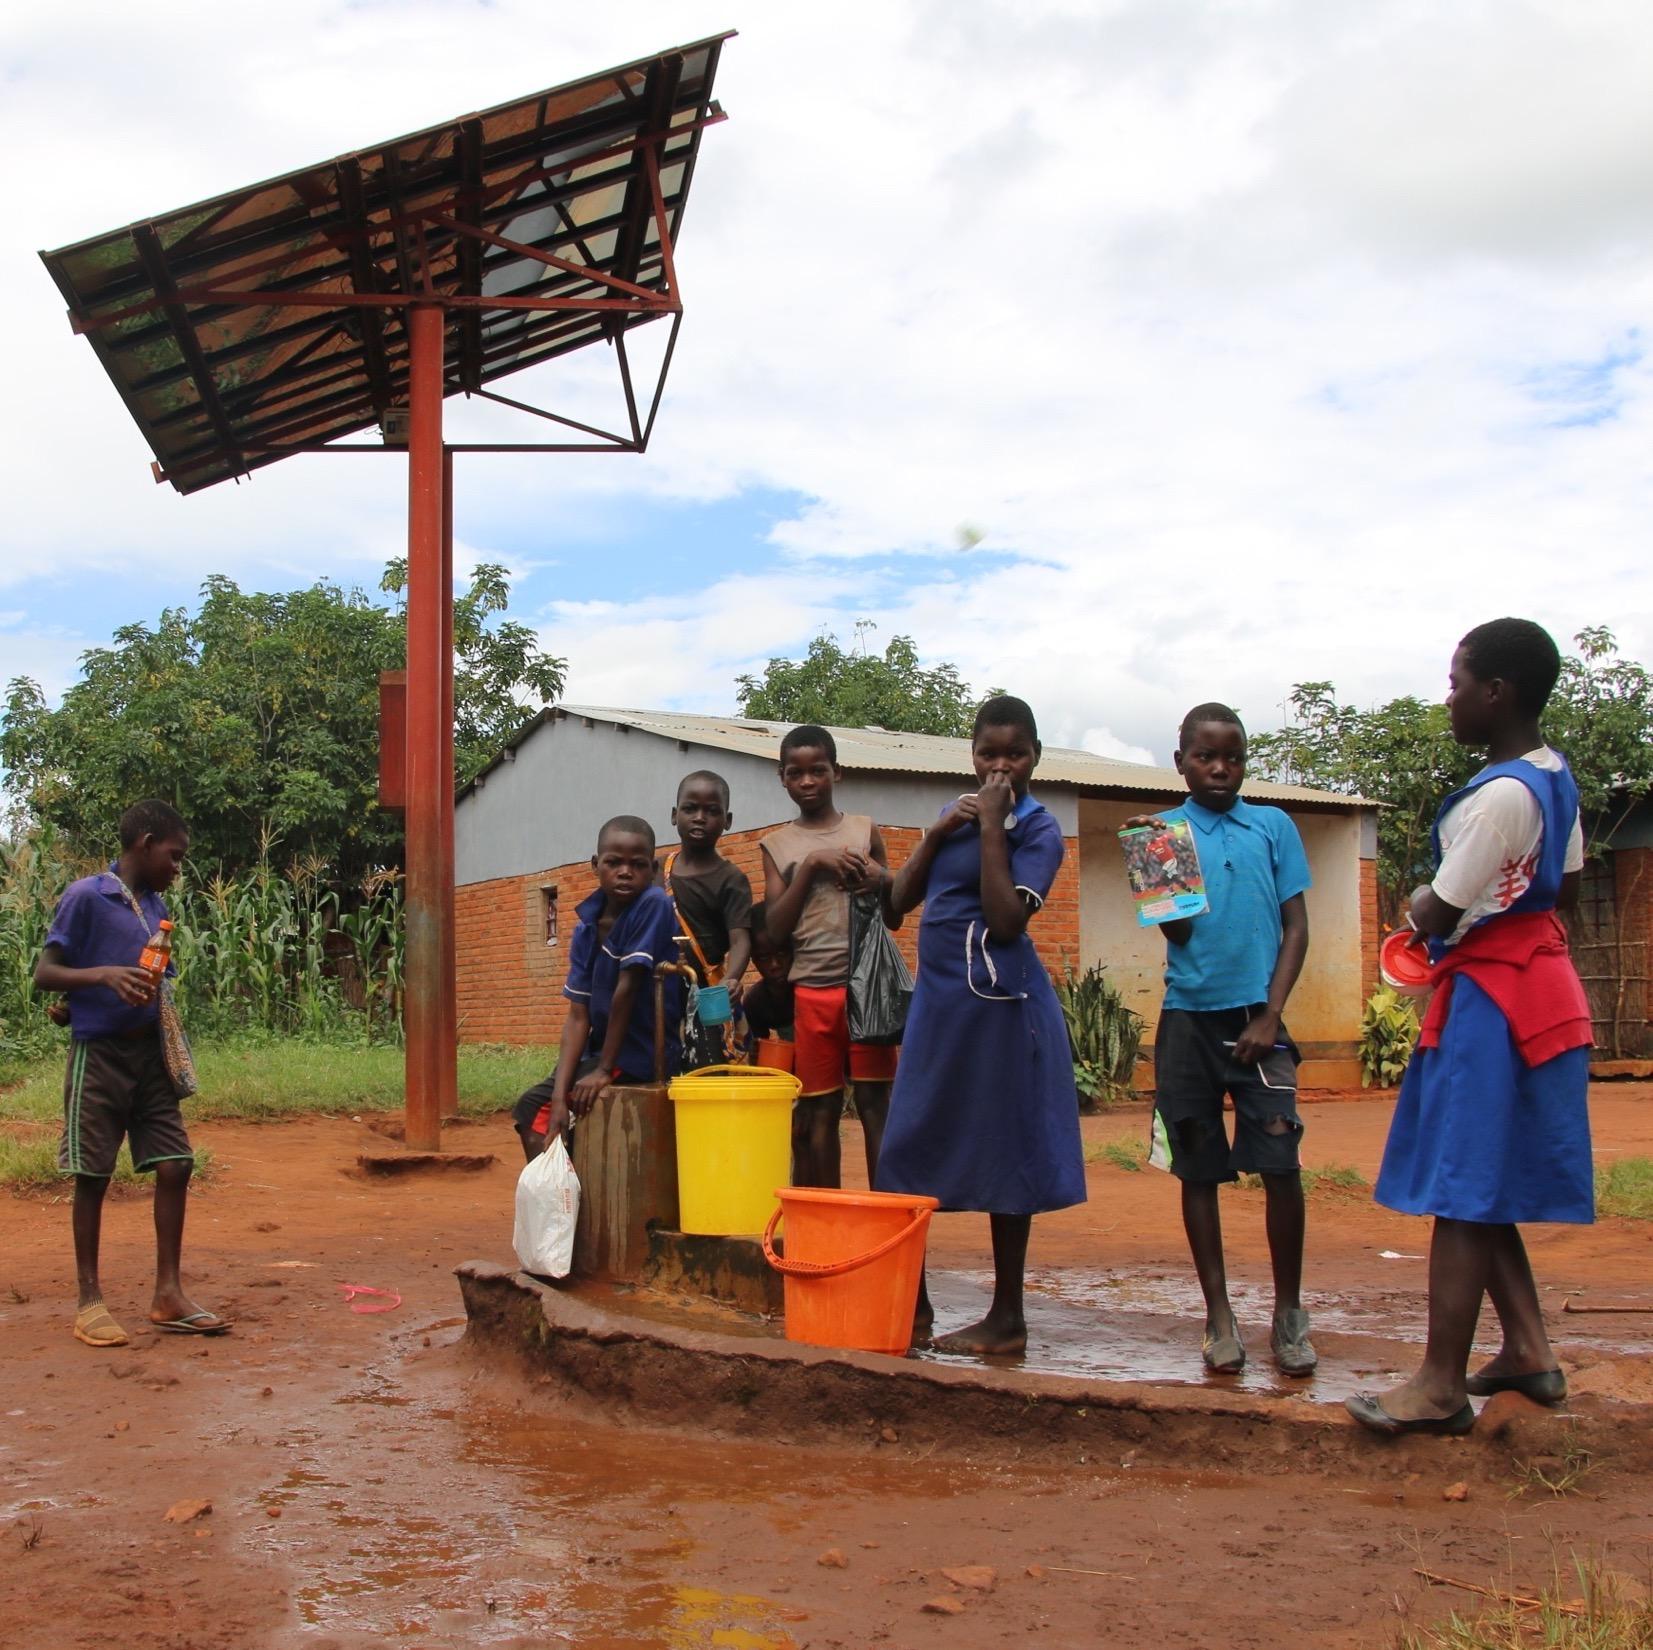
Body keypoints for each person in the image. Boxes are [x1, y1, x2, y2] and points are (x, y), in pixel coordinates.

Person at [1347, 619, 1592, 1436]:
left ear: (1496, 692)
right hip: (1537, 987)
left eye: (1455, 684)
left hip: (1493, 1001)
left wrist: (1420, 902)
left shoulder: (1498, 797)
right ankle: (1526, 1349)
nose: (1447, 698)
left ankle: (1438, 1385)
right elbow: (1563, 884)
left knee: (1461, 1185)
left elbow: (1438, 909)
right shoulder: (1552, 778)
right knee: (1484, 1180)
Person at [876, 696, 1086, 1354]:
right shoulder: (953, 815)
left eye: (1014, 754)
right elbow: (895, 902)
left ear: (1035, 758)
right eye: (988, 754)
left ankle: (1006, 1317)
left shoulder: (1040, 831)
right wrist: (940, 833)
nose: (1000, 767)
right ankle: (911, 1304)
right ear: (970, 755)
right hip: (939, 1007)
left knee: (1005, 1149)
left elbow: (1005, 920)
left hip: (1002, 1009)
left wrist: (994, 826)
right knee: (907, 1143)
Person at [1126, 703, 1314, 1377]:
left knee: (1281, 1164)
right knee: (1198, 1169)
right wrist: (1158, 869)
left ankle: (1288, 1313)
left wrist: (1270, 1014)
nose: (1219, 768)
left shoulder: (1273, 826)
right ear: (1180, 761)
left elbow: (1296, 927)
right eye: (1205, 756)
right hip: (1187, 1024)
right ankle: (1219, 1316)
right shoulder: (1160, 834)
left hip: (1260, 1021)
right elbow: (1179, 934)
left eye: (1232, 757)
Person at [33, 799, 230, 1347]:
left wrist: (111, 990)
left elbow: (147, 980)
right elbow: (46, 972)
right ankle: (89, 1302)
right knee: (93, 1175)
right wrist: (101, 979)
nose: (178, 866)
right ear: (145, 844)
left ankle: (168, 1294)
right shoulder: (86, 896)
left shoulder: (154, 906)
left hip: (150, 1059)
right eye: (175, 855)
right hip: (99, 1057)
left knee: (176, 1164)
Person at [761, 725, 900, 1188]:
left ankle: (886, 1217)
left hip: (867, 991)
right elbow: (774, 930)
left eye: (818, 770)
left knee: (876, 1106)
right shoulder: (777, 845)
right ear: (782, 777)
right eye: (795, 773)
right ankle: (828, 1219)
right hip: (812, 992)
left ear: (836, 772)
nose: (807, 781)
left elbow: (894, 913)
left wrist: (880, 878)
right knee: (819, 1110)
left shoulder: (864, 830)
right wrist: (813, 865)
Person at [511, 816, 683, 1161]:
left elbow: (627, 989)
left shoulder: (654, 904)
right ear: (595, 865)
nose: (625, 872)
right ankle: (565, 1188)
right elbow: (578, 1016)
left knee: (544, 1110)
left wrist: (603, 1071)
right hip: (601, 1052)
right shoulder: (586, 928)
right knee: (535, 1107)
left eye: (637, 865)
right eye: (613, 862)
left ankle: (570, 1192)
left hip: (642, 1053)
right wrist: (559, 1095)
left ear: (653, 869)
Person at [663, 770, 754, 1065]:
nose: (700, 818)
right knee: (661, 1070)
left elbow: (740, 939)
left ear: (727, 820)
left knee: (710, 1068)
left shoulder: (731, 880)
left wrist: (731, 978)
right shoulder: (656, 871)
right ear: (675, 815)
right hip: (661, 990)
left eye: (712, 811)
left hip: (708, 993)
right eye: (690, 809)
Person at [741, 904, 796, 1048]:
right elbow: (759, 1051)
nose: (775, 965)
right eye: (764, 958)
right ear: (754, 960)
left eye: (782, 953)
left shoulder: (812, 988)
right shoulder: (755, 1001)